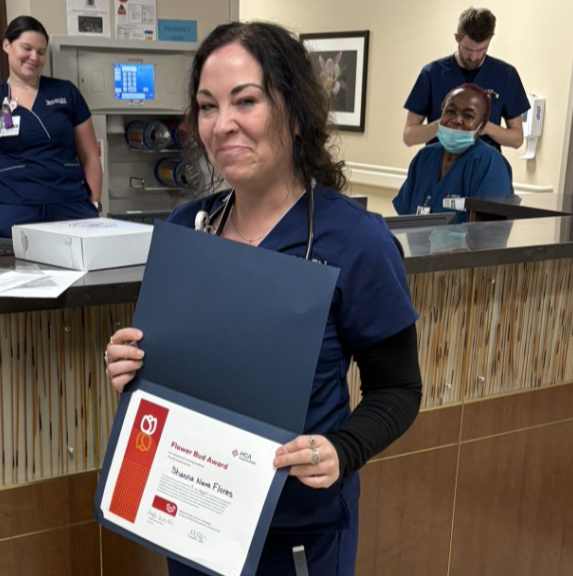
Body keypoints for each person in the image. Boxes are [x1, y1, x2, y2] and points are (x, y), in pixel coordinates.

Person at [103, 22, 422, 576]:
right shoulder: (187, 230)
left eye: (245, 101)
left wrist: (343, 450)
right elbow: (178, 380)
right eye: (207, 106)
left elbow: (397, 389)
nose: (222, 124)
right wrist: (130, 366)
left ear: (294, 113)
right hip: (194, 518)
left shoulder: (356, 242)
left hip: (298, 534)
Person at [0, 16, 102, 238]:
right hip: (14, 211)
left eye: (41, 52)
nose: (34, 57)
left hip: (71, 208)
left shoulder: (66, 93)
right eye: (26, 48)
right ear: (6, 45)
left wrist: (94, 202)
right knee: (18, 273)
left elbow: (90, 156)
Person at [403, 7, 529, 151]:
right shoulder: (432, 74)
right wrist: (445, 125)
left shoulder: (506, 75)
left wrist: (485, 127)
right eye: (468, 50)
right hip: (441, 166)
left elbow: (517, 139)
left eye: (481, 50)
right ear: (457, 38)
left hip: (484, 166)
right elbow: (409, 137)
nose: (474, 57)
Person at [394, 84, 513, 222]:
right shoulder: (424, 157)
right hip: (416, 242)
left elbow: (489, 232)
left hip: (463, 244)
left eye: (468, 116)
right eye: (450, 111)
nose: (456, 120)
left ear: (481, 127)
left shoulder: (489, 163)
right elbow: (404, 221)